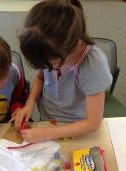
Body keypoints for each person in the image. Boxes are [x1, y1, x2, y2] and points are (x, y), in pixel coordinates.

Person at [13, 0, 112, 143]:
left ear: (73, 45)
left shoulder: (93, 66)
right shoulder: (49, 49)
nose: (47, 68)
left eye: (51, 64)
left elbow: (92, 123)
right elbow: (40, 78)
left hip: (76, 128)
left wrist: (48, 133)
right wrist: (29, 104)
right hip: (48, 119)